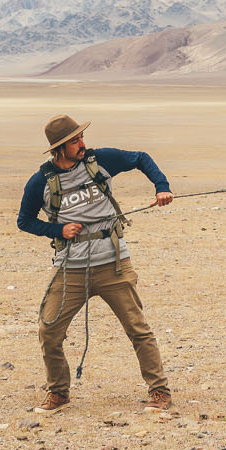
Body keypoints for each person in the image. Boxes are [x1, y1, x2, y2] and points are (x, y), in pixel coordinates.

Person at [16, 113, 175, 413]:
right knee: (48, 331)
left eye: (81, 138)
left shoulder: (99, 160)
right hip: (70, 269)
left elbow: (141, 158)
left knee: (138, 329)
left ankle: (159, 391)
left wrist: (161, 186)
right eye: (74, 140)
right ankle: (59, 393)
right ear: (59, 148)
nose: (82, 144)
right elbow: (24, 221)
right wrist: (56, 230)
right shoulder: (41, 182)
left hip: (113, 263)